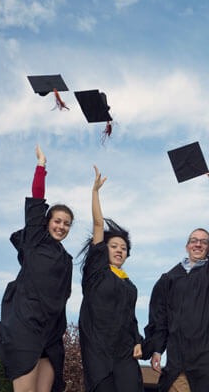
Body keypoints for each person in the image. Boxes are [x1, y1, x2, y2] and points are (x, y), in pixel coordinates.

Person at [0, 145, 73, 392]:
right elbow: (36, 198)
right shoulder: (36, 239)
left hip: (51, 333)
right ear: (47, 223)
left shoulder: (67, 259)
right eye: (57, 221)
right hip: (26, 324)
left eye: (67, 224)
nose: (61, 226)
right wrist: (41, 166)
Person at [142, 171, 209, 392]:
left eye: (204, 242)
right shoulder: (169, 279)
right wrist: (157, 349)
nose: (198, 244)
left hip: (206, 362)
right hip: (177, 361)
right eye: (193, 240)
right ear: (187, 246)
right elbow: (160, 318)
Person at [78, 166, 144, 392]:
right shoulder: (97, 272)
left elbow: (131, 318)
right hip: (99, 351)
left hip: (124, 353)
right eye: (114, 246)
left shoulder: (130, 285)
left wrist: (137, 341)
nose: (119, 250)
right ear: (104, 250)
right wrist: (95, 192)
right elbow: (98, 225)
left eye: (123, 248)